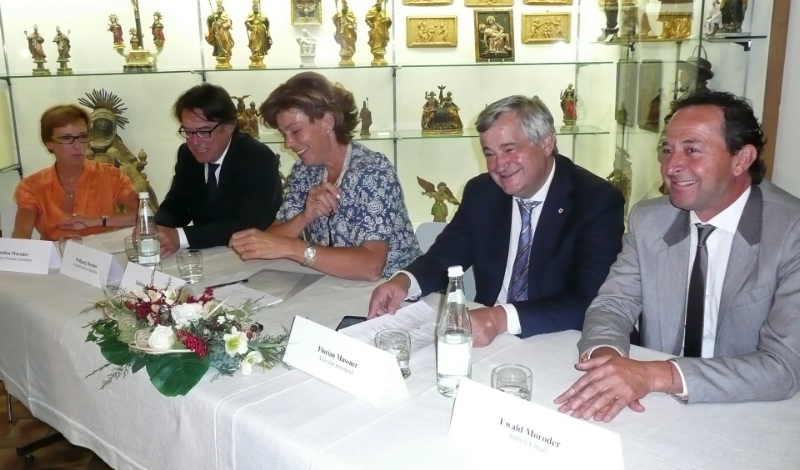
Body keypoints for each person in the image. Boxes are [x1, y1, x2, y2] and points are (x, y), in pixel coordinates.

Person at [556, 91, 800, 423]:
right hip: (658, 406)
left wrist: (655, 375)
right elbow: (613, 304)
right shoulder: (650, 219)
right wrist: (606, 357)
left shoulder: (790, 232)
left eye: (692, 150)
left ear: (742, 159)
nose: (671, 167)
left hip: (752, 413)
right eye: (667, 150)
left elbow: (783, 367)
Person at [368, 95, 625, 346]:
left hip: (561, 340)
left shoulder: (596, 201)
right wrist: (405, 281)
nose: (499, 165)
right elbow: (444, 257)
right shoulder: (483, 192)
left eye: (509, 149)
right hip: (488, 338)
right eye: (489, 153)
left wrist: (500, 318)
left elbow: (591, 300)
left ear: (546, 143)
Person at [229, 72, 420, 281]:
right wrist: (305, 216)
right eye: (284, 135)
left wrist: (293, 247)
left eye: (295, 131)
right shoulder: (305, 171)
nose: (288, 143)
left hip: (393, 290)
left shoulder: (373, 171)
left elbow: (372, 267)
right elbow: (270, 243)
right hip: (335, 286)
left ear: (328, 122)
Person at [155, 84, 282, 257]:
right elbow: (177, 205)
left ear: (229, 127)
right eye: (188, 132)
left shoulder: (258, 158)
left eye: (203, 132)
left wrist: (180, 237)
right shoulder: (187, 154)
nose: (194, 142)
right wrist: (156, 229)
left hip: (256, 255)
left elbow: (249, 224)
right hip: (207, 252)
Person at [13, 105, 138, 240]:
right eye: (67, 138)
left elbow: (146, 215)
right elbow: (21, 233)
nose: (78, 146)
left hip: (102, 251)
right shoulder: (31, 186)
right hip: (56, 252)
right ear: (49, 143)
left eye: (83, 136)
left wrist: (97, 221)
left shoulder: (111, 176)